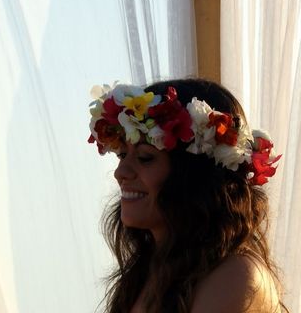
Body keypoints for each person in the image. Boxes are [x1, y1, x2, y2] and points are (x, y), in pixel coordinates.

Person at [88, 78, 287, 313]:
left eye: (145, 158)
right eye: (122, 155)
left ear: (193, 175)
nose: (120, 173)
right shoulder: (150, 274)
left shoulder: (234, 274)